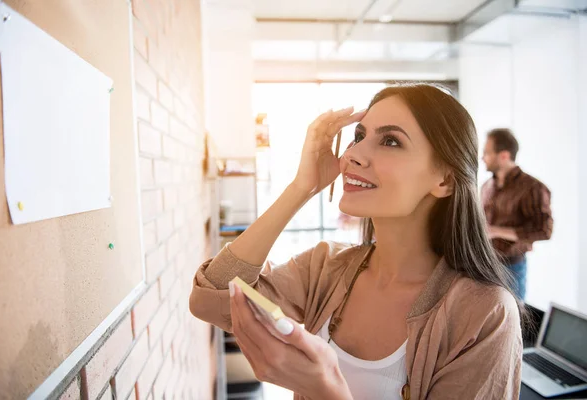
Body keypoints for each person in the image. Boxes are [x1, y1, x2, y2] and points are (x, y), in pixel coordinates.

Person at [190, 84, 524, 400]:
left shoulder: (485, 314)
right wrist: (300, 188)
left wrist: (325, 391)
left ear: (446, 179)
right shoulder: (325, 266)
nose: (353, 155)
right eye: (359, 136)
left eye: (391, 141)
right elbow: (210, 299)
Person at [481, 128, 553, 300]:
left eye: (487, 153)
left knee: (514, 322)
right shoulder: (486, 186)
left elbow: (544, 230)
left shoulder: (533, 187)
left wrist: (495, 231)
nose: (482, 158)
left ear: (504, 156)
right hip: (485, 266)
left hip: (511, 269)